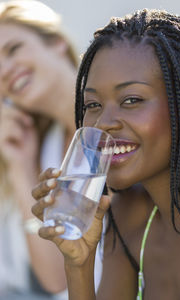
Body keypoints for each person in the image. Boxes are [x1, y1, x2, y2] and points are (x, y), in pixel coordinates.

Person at [31, 8, 180, 300]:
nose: (104, 122)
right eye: (93, 105)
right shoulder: (128, 215)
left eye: (131, 99)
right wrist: (78, 263)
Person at [0, 0, 80, 298]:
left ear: (56, 42)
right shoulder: (44, 149)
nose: (5, 70)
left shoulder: (121, 120)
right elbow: (58, 280)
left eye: (13, 49)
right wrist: (20, 165)